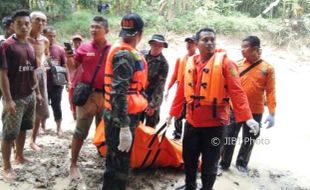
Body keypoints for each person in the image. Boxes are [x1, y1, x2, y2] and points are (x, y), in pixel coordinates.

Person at [167, 27, 259, 190]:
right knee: (189, 159)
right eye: (205, 40)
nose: (209, 43)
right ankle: (190, 186)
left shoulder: (226, 63)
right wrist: (172, 114)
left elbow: (237, 92)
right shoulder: (190, 62)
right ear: (196, 43)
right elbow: (181, 90)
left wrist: (248, 117)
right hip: (192, 122)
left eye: (212, 40)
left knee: (210, 164)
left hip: (215, 125)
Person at [102, 13, 147, 190]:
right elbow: (119, 93)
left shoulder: (124, 52)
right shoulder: (124, 55)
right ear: (140, 34)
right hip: (121, 117)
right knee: (117, 163)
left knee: (118, 160)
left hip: (121, 114)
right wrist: (124, 126)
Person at [219, 36, 276, 173]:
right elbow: (228, 86)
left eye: (245, 47)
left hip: (255, 111)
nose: (242, 50)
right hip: (235, 109)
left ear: (255, 49)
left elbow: (270, 91)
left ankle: (242, 163)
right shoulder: (237, 65)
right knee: (228, 137)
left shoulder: (267, 68)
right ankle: (224, 163)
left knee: (249, 139)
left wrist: (272, 113)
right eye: (241, 47)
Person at [65, 16, 111, 180]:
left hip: (106, 96)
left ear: (106, 30)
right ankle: (73, 164)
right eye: (91, 27)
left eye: (97, 27)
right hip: (87, 96)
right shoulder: (84, 47)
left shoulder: (113, 49)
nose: (93, 30)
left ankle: (103, 158)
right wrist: (69, 57)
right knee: (80, 131)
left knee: (104, 131)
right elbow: (73, 68)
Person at [0, 9, 42, 181]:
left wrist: (37, 92)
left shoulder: (30, 46)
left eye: (26, 23)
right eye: (20, 24)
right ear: (12, 25)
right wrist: (8, 100)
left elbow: (33, 71)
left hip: (29, 95)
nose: (24, 27)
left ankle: (20, 156)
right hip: (15, 97)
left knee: (24, 128)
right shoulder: (6, 46)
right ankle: (6, 166)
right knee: (9, 133)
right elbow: (2, 74)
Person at [165, 35, 197, 139]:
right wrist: (168, 88)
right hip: (180, 86)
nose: (188, 45)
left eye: (191, 43)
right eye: (187, 43)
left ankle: (189, 134)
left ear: (196, 45)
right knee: (178, 111)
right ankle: (177, 133)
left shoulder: (198, 60)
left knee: (190, 112)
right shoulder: (181, 59)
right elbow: (175, 74)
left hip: (192, 89)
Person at [28, 11, 50, 151]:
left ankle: (33, 140)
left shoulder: (45, 41)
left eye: (43, 21)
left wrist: (43, 63)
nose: (41, 23)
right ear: (30, 21)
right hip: (23, 75)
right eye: (37, 20)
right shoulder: (22, 38)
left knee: (40, 108)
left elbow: (45, 54)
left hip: (40, 76)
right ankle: (13, 144)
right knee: (21, 107)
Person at [43, 26, 67, 137]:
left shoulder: (60, 49)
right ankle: (42, 126)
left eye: (53, 36)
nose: (52, 38)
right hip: (42, 82)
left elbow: (64, 65)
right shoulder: (39, 48)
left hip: (57, 83)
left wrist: (68, 81)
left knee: (56, 105)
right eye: (49, 36)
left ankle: (59, 128)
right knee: (42, 105)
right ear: (44, 36)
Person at [141, 34, 169, 128]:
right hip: (138, 95)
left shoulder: (163, 64)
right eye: (155, 44)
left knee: (150, 128)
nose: (157, 47)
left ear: (163, 47)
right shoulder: (141, 55)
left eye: (160, 45)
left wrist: (152, 105)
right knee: (136, 125)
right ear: (151, 44)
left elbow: (160, 86)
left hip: (153, 96)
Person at [68, 34, 83, 120]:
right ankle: (74, 117)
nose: (77, 43)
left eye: (79, 41)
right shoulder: (69, 53)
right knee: (72, 100)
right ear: (72, 42)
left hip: (82, 81)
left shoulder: (84, 52)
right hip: (72, 80)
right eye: (75, 41)